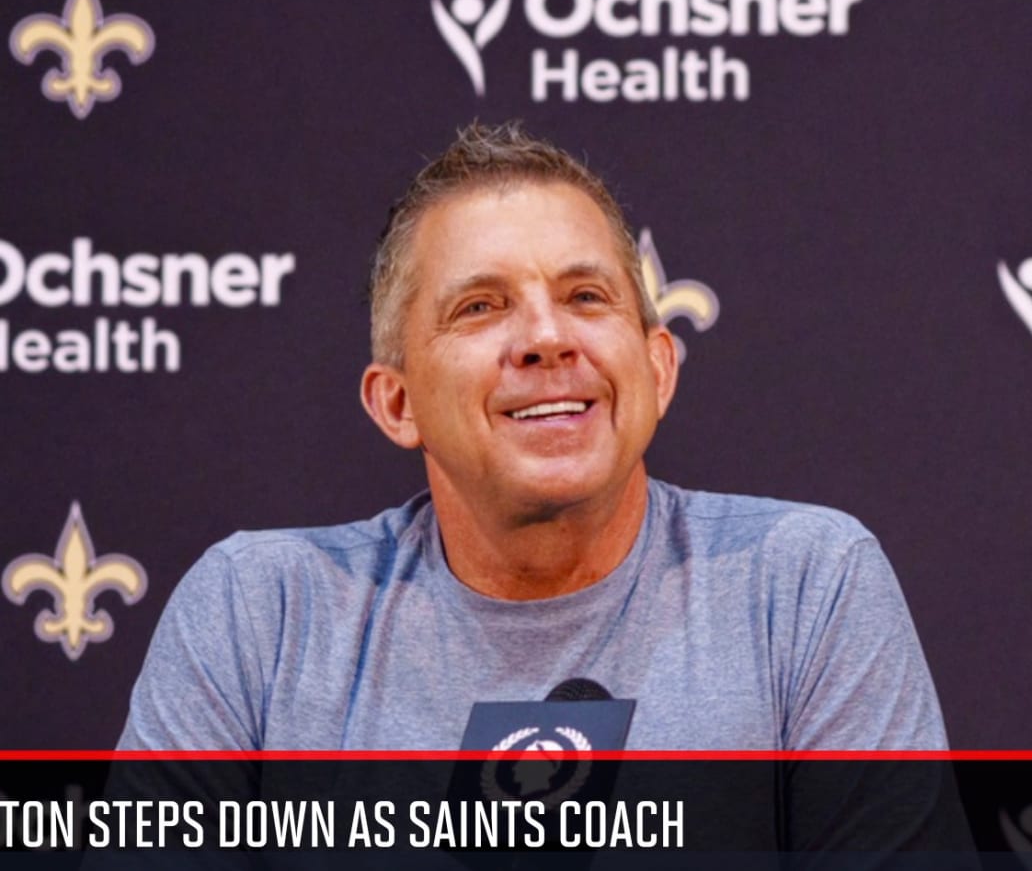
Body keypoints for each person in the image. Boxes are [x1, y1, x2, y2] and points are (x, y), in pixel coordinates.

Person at [117, 121, 947, 753]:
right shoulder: (257, 616)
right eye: (480, 307)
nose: (546, 338)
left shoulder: (805, 587)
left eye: (587, 297)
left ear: (658, 368)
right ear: (396, 402)